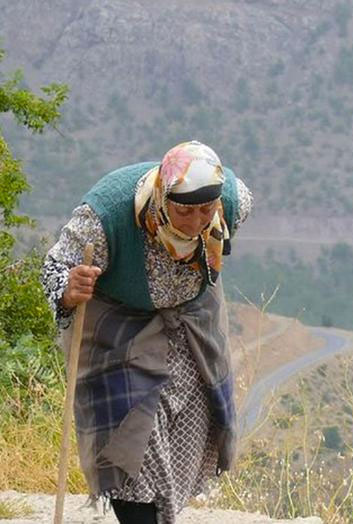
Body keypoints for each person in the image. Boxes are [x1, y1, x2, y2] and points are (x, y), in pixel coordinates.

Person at [41, 140, 253, 524]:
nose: (196, 223)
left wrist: (207, 220)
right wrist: (69, 288)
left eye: (206, 210)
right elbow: (54, 268)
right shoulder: (105, 215)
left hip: (192, 321)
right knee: (130, 437)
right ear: (162, 196)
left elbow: (212, 228)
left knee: (187, 430)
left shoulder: (234, 202)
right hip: (119, 325)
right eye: (184, 210)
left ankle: (162, 513)